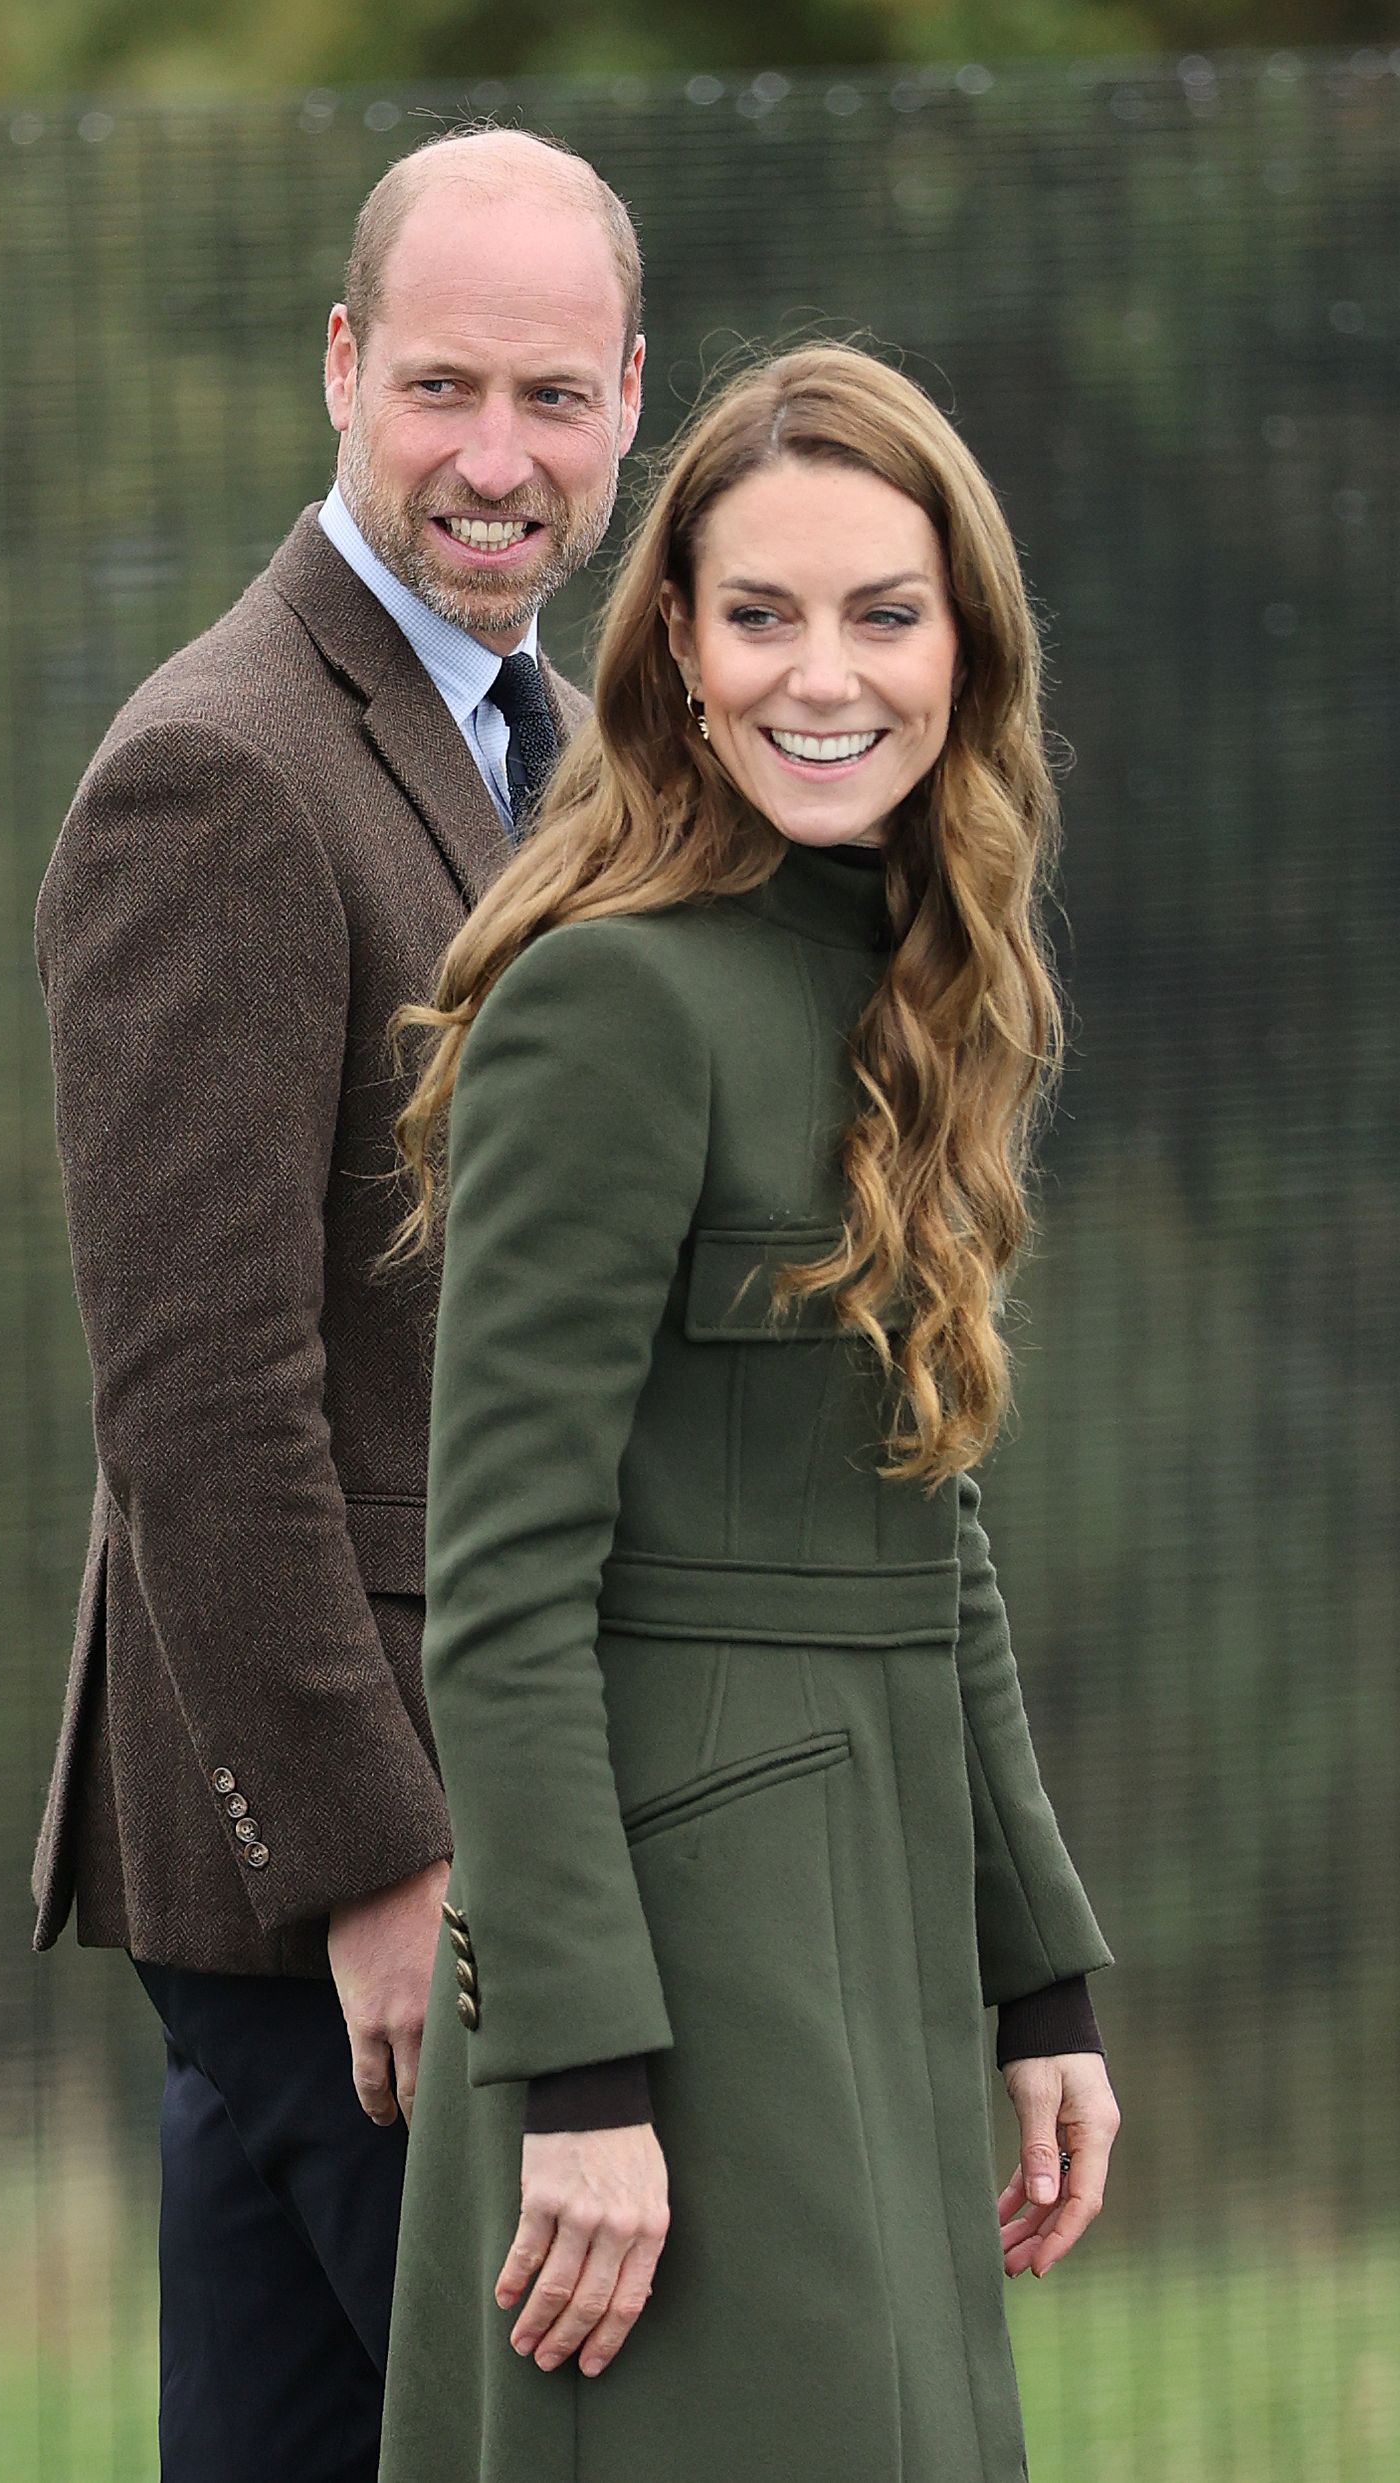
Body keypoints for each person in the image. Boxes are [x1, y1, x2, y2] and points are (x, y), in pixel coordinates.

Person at [381, 343, 1121, 2482]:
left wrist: (1036, 1976)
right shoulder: (611, 998)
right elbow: (502, 1591)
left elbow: (925, 1525)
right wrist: (588, 2076)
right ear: (677, 657)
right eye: (760, 615)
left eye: (881, 615)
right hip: (675, 1975)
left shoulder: (907, 979)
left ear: (961, 647)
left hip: (870, 1912)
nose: (827, 675)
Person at [28, 127, 645, 2483]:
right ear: (338, 369)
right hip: (357, 1870)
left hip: (430, 1841)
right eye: (441, 389)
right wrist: (377, 1866)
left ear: (622, 403)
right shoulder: (219, 771)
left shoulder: (555, 746)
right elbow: (199, 1396)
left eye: (556, 398)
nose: (497, 460)